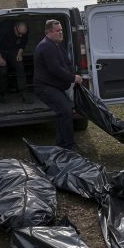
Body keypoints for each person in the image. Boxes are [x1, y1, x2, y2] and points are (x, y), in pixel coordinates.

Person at [33, 19, 82, 151]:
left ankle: (62, 145)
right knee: (65, 111)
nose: (61, 33)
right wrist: (73, 78)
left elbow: (67, 63)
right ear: (48, 32)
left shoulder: (56, 45)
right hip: (44, 88)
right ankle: (69, 146)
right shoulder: (46, 47)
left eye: (61, 30)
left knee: (64, 112)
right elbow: (55, 69)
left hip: (54, 87)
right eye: (57, 31)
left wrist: (74, 74)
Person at [0, 20, 31, 103]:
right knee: (2, 71)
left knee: (20, 67)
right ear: (15, 28)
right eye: (19, 33)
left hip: (12, 49)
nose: (21, 35)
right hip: (0, 50)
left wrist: (19, 54)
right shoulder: (3, 28)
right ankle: (4, 94)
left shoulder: (24, 31)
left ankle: (24, 93)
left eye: (23, 34)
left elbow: (23, 42)